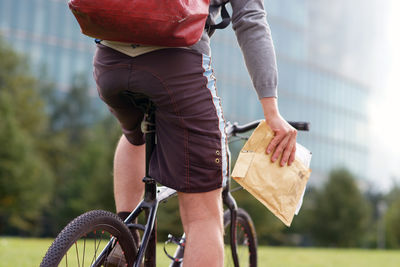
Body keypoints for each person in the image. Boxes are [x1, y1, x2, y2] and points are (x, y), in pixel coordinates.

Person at [93, 0, 297, 266]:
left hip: (110, 61)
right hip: (175, 63)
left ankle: (125, 238)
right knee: (203, 216)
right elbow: (250, 20)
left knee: (137, 133)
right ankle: (129, 240)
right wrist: (271, 113)